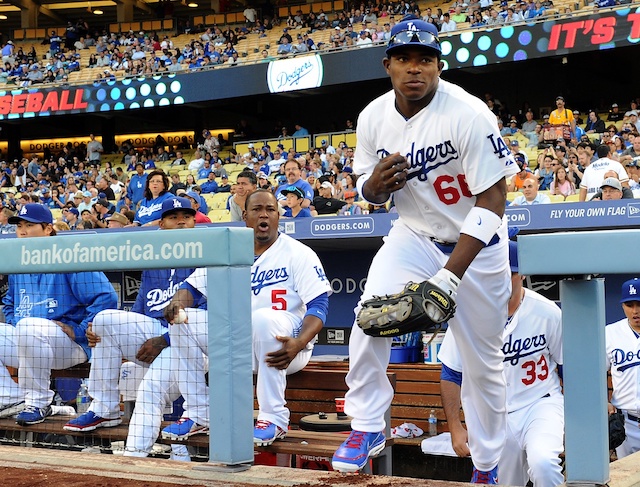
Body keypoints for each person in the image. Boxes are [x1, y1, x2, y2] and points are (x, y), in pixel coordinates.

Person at [329, 18, 517, 483]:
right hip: (412, 234)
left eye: (426, 59)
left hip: (477, 246)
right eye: (405, 59)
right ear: (388, 64)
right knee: (369, 318)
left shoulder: (469, 113)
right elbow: (368, 189)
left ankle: (487, 465)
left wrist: (449, 277)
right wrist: (371, 187)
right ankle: (368, 426)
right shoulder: (373, 116)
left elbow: (493, 201)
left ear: (438, 65)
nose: (416, 68)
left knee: (483, 363)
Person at [160, 190, 330, 447]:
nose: (264, 214)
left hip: (287, 348)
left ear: (278, 216)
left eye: (271, 210)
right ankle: (199, 413)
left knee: (263, 319)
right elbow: (190, 290)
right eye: (257, 209)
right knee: (182, 320)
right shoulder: (229, 251)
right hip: (240, 345)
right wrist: (177, 304)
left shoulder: (298, 253)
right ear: (245, 216)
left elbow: (319, 305)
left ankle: (273, 418)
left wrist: (298, 343)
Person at [63, 197, 200, 461]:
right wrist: (104, 334)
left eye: (187, 215)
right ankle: (105, 407)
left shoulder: (206, 256)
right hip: (157, 338)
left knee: (152, 388)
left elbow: (208, 318)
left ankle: (150, 456)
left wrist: (164, 339)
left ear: (195, 221)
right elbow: (139, 311)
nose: (181, 220)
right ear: (161, 225)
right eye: (174, 217)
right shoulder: (153, 260)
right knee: (103, 320)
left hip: (190, 344)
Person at [439, 240, 564, 487]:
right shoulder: (468, 315)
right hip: (494, 415)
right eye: (499, 272)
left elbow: (566, 367)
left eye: (512, 273)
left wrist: (576, 421)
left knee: (543, 464)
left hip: (539, 404)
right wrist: (455, 426)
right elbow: (451, 373)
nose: (505, 279)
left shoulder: (547, 312)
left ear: (523, 273)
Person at [0, 204, 117, 424]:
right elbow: (9, 303)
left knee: (29, 326)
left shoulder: (70, 256)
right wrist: (16, 324)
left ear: (47, 229)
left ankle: (38, 402)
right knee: (21, 327)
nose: (22, 231)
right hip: (30, 343)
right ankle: (11, 398)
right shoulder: (18, 261)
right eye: (19, 226)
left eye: (29, 225)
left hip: (67, 346)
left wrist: (80, 330)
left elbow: (106, 297)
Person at [606, 278, 640, 459]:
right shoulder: (609, 333)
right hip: (626, 423)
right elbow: (593, 374)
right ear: (622, 306)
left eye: (639, 304)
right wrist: (602, 401)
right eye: (629, 304)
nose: (635, 311)